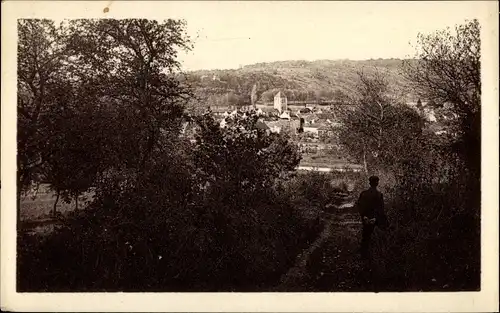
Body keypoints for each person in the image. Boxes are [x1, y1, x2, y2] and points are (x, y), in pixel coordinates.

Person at [356, 175, 388, 259]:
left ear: (369, 183)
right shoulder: (379, 195)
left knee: (365, 237)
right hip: (375, 219)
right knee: (377, 237)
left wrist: (364, 217)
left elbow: (359, 206)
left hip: (366, 218)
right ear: (377, 183)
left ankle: (364, 256)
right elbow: (381, 209)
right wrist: (376, 218)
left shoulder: (363, 193)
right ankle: (375, 256)